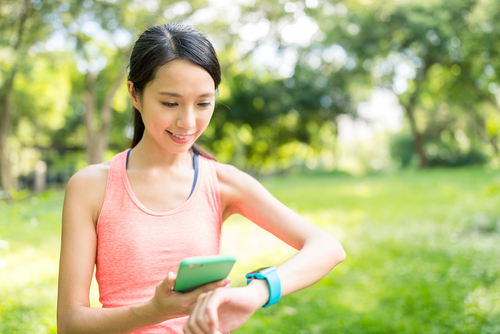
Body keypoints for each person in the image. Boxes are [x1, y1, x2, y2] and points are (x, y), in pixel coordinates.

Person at [57, 23, 346, 334]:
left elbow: (327, 248)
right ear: (135, 94)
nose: (188, 122)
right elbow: (70, 324)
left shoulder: (221, 182)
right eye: (170, 103)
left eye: (204, 103)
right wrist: (153, 311)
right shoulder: (91, 187)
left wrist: (254, 293)